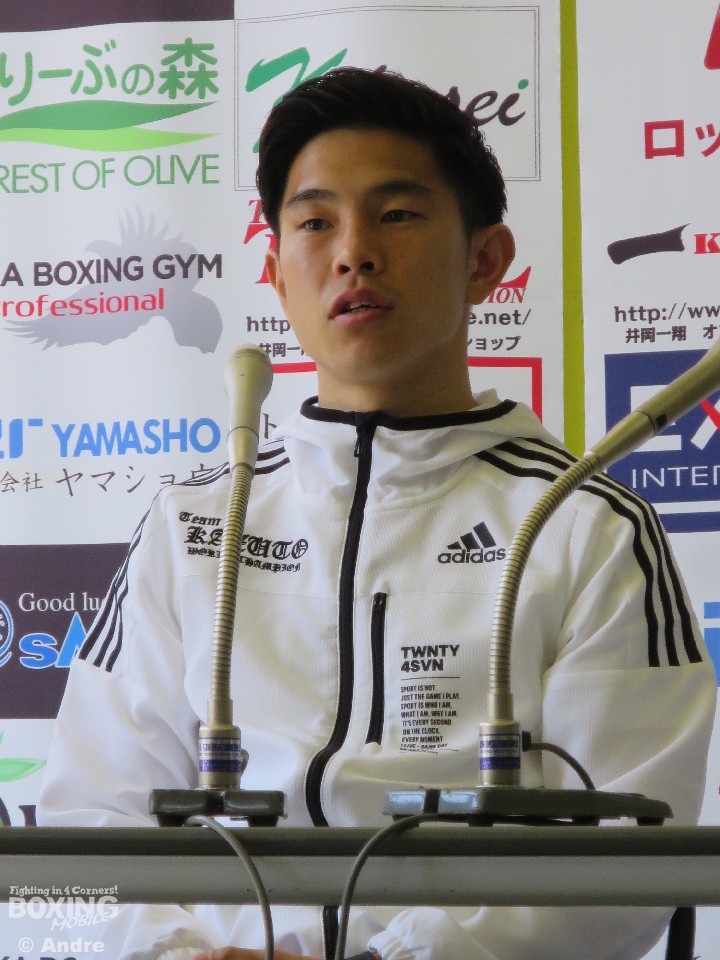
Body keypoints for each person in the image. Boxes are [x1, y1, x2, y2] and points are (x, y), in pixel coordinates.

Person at [38, 67, 716, 960]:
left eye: (396, 214)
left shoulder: (585, 526)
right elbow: (81, 832)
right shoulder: (194, 525)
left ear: (485, 261)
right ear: (275, 274)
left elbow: (622, 857)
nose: (353, 252)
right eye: (315, 222)